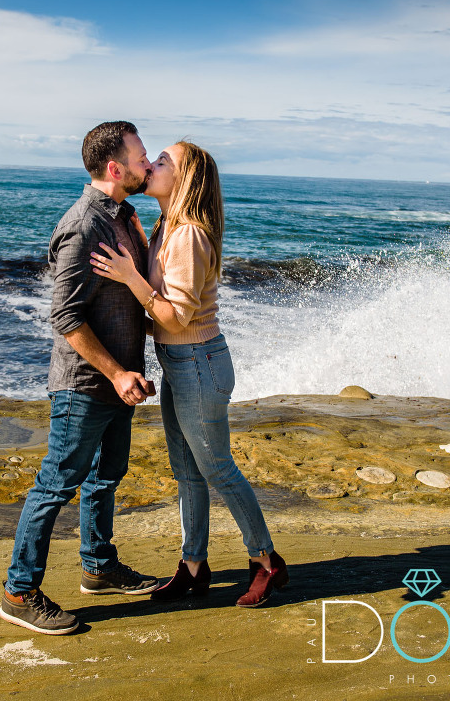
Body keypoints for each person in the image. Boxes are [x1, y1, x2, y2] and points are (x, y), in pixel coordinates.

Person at [90, 140, 289, 608]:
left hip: (199, 361)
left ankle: (266, 561)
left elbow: (176, 317)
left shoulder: (190, 235)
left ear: (185, 179)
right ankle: (194, 566)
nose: (150, 165)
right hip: (179, 362)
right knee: (187, 473)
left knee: (217, 467)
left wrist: (129, 277)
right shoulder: (166, 228)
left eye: (162, 161)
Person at [0, 121, 160, 636]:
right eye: (139, 156)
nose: (146, 163)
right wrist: (116, 374)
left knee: (106, 477)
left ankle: (98, 566)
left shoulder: (124, 216)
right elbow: (65, 317)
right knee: (56, 484)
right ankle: (18, 591)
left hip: (119, 380)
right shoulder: (83, 224)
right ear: (114, 168)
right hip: (87, 383)